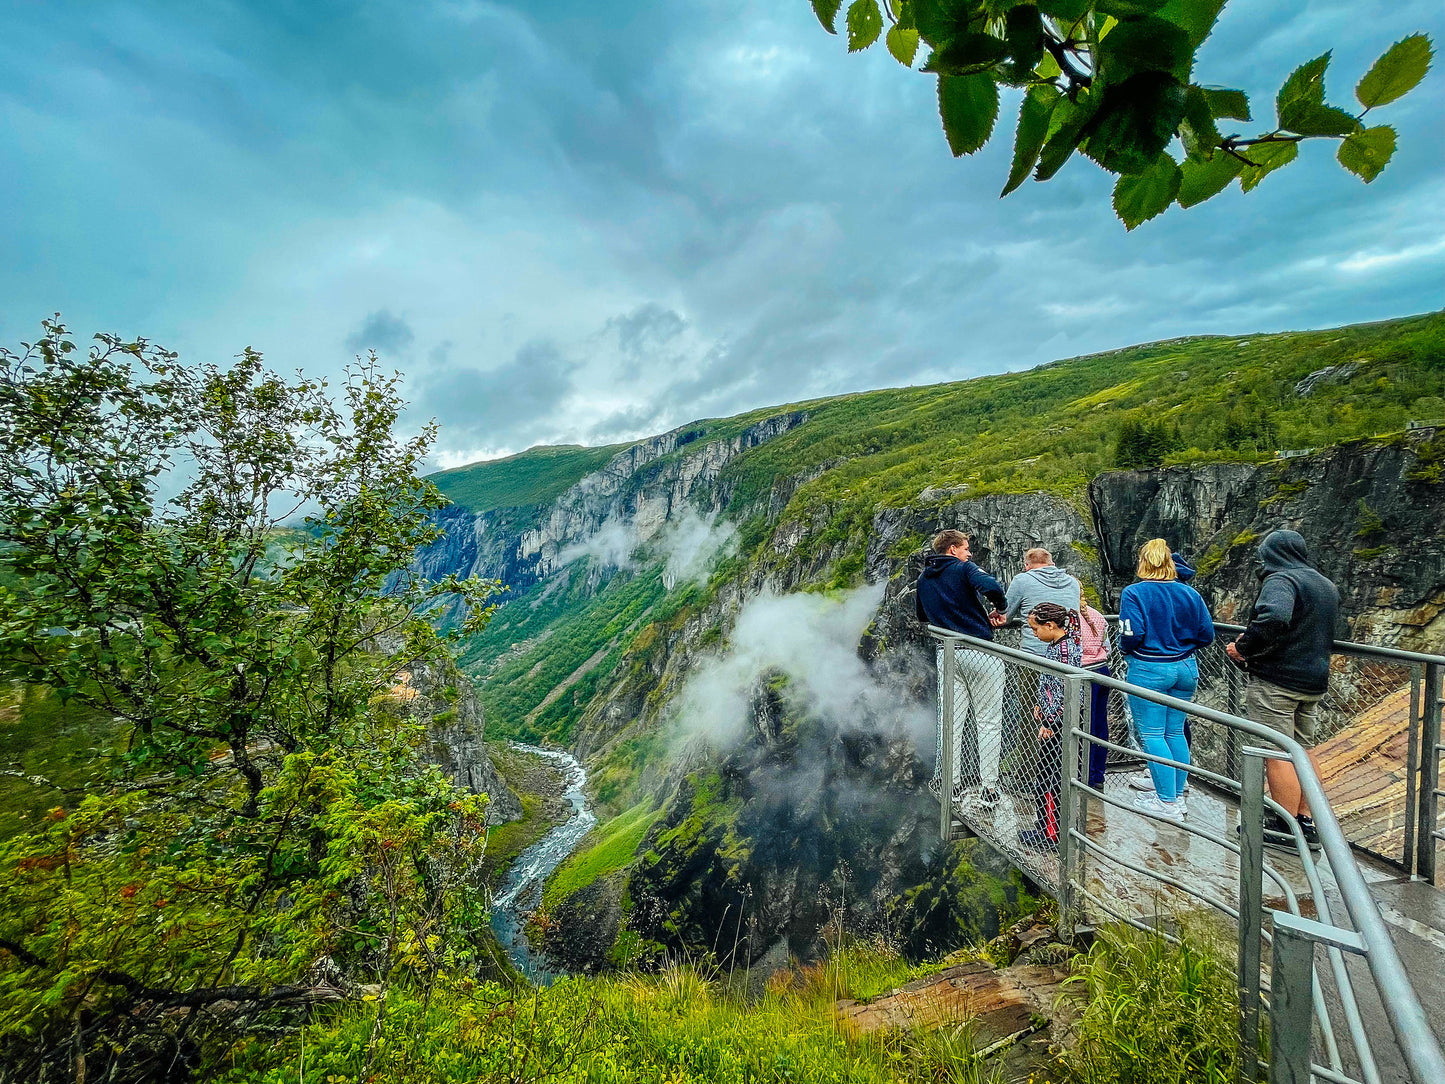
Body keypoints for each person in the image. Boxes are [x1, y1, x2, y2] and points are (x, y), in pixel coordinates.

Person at [1225, 530, 1338, 850]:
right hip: (1312, 682)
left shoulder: (1281, 580)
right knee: (1303, 750)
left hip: (1278, 682)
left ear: (1274, 554)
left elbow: (1273, 617)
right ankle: (1304, 821)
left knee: (1275, 752)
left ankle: (1284, 826)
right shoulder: (1324, 584)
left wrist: (1243, 649)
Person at [1119, 539, 1215, 821]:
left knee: (1152, 735)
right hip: (1186, 668)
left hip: (1149, 668)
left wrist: (1129, 650)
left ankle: (1166, 802)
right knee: (1175, 731)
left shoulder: (1134, 593)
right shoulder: (1190, 594)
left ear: (1143, 563)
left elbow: (1130, 633)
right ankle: (1176, 791)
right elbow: (1206, 634)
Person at [915, 529, 1009, 807]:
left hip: (947, 654)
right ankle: (989, 789)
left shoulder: (923, 578)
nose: (969, 553)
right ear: (953, 549)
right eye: (966, 548)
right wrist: (999, 609)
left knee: (951, 722)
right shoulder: (964, 569)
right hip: (979, 651)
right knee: (989, 721)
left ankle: (951, 784)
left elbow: (922, 615)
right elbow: (992, 586)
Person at [1019, 602, 1082, 851]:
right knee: (1045, 774)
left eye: (1035, 630)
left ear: (1050, 625)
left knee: (1050, 777)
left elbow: (1064, 691)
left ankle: (1051, 835)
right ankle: (1045, 826)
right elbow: (1050, 686)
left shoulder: (1064, 651)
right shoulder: (1061, 644)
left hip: (1057, 723)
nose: (1035, 635)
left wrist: (1049, 721)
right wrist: (1039, 704)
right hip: (1052, 718)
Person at [1005, 548, 1083, 656]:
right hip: (1068, 653)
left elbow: (1005, 616)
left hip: (1035, 656)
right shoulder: (1073, 582)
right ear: (1053, 564)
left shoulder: (1021, 580)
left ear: (1027, 566)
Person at [1079, 601, 1112, 789]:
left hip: (1082, 672)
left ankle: (1084, 776)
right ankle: (1098, 775)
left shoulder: (1067, 617)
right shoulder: (1098, 616)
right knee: (1099, 724)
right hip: (1101, 670)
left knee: (1083, 724)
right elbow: (1107, 646)